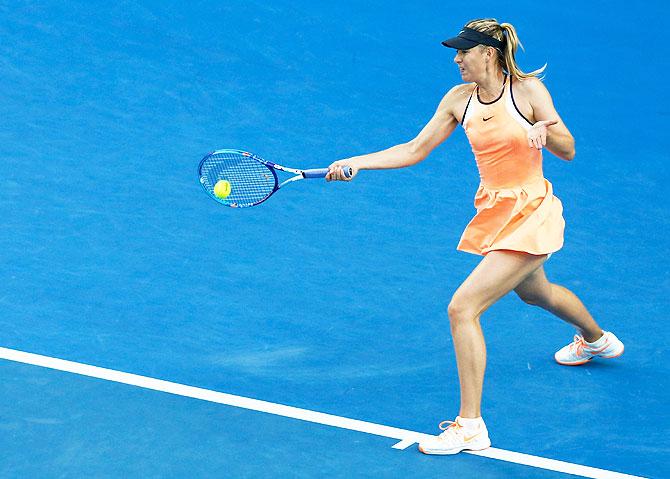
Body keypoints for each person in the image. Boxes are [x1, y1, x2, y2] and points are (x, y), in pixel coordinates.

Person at [325, 18, 624, 455]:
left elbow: (569, 148)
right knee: (536, 293)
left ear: (489, 53)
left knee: (463, 307)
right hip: (497, 211)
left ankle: (471, 427)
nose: (457, 59)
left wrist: (546, 132)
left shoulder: (527, 92)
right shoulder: (458, 99)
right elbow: (414, 149)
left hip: (532, 212)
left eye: (464, 51)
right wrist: (358, 161)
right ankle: (599, 340)